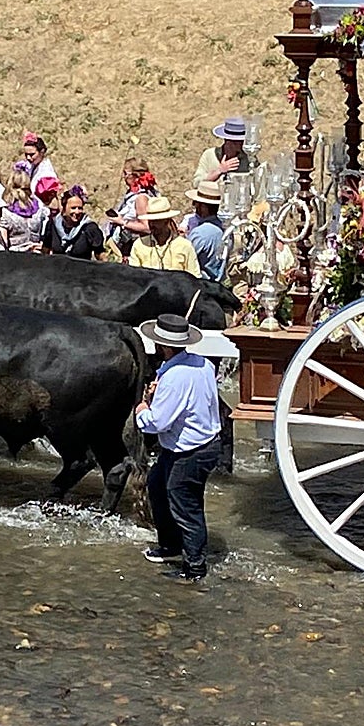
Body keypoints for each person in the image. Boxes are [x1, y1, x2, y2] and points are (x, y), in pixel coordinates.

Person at [135, 313, 222, 582]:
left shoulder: (174, 377)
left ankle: (194, 568)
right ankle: (171, 545)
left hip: (190, 451)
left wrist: (142, 409)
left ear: (163, 345)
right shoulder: (203, 364)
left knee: (186, 507)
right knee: (157, 486)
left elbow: (157, 423)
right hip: (197, 445)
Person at [130, 197, 201, 275]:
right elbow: (133, 276)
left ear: (166, 221)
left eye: (156, 221)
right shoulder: (139, 245)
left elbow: (194, 276)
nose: (151, 224)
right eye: (150, 221)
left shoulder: (184, 246)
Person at [105, 158, 158, 259]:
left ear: (135, 175)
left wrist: (122, 222)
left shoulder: (141, 198)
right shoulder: (132, 194)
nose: (123, 177)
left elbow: (147, 227)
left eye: (126, 173)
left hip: (136, 248)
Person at [41, 189, 106, 260]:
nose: (77, 212)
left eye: (80, 208)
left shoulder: (89, 228)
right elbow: (45, 250)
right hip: (58, 266)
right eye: (73, 208)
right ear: (64, 208)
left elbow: (100, 254)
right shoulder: (53, 225)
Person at [1, 161, 48, 251]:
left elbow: (4, 243)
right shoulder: (39, 209)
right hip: (36, 253)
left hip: (14, 256)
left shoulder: (5, 212)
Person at [185, 179, 226, 280]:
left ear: (203, 207)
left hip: (203, 283)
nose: (194, 206)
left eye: (196, 203)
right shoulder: (226, 229)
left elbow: (186, 257)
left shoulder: (199, 233)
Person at [193, 117, 250, 187]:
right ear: (227, 141)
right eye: (235, 142)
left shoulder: (248, 159)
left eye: (241, 141)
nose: (240, 144)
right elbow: (196, 183)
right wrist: (219, 171)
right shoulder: (209, 155)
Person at [22, 131, 58, 197]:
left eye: (32, 154)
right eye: (26, 154)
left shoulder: (47, 174)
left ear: (42, 152)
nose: (28, 158)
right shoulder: (31, 166)